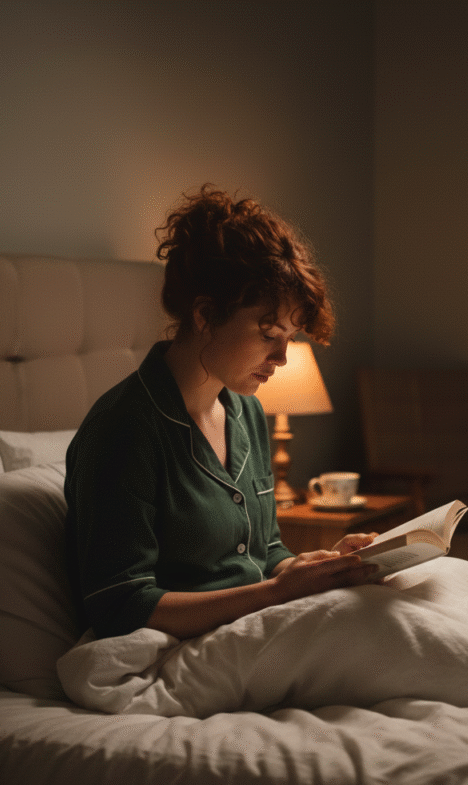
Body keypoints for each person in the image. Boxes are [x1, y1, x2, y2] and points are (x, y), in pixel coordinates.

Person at [65, 185, 378, 641]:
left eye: (289, 337)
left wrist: (315, 567)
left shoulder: (246, 412)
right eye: (269, 332)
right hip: (185, 645)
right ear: (205, 315)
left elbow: (266, 553)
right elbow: (120, 605)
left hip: (258, 626)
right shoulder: (125, 429)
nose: (282, 358)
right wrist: (275, 594)